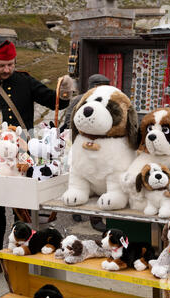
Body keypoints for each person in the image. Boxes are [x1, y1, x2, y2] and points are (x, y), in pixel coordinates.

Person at [0, 36, 73, 281]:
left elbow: (52, 99)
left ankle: (19, 248)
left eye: (10, 64)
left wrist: (64, 92)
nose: (7, 69)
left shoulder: (24, 80)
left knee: (21, 206)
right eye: (2, 65)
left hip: (21, 153)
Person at [63, 74, 110, 232]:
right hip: (82, 142)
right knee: (83, 175)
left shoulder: (108, 99)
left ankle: (92, 213)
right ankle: (87, 214)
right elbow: (68, 119)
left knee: (97, 176)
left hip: (103, 144)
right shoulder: (81, 99)